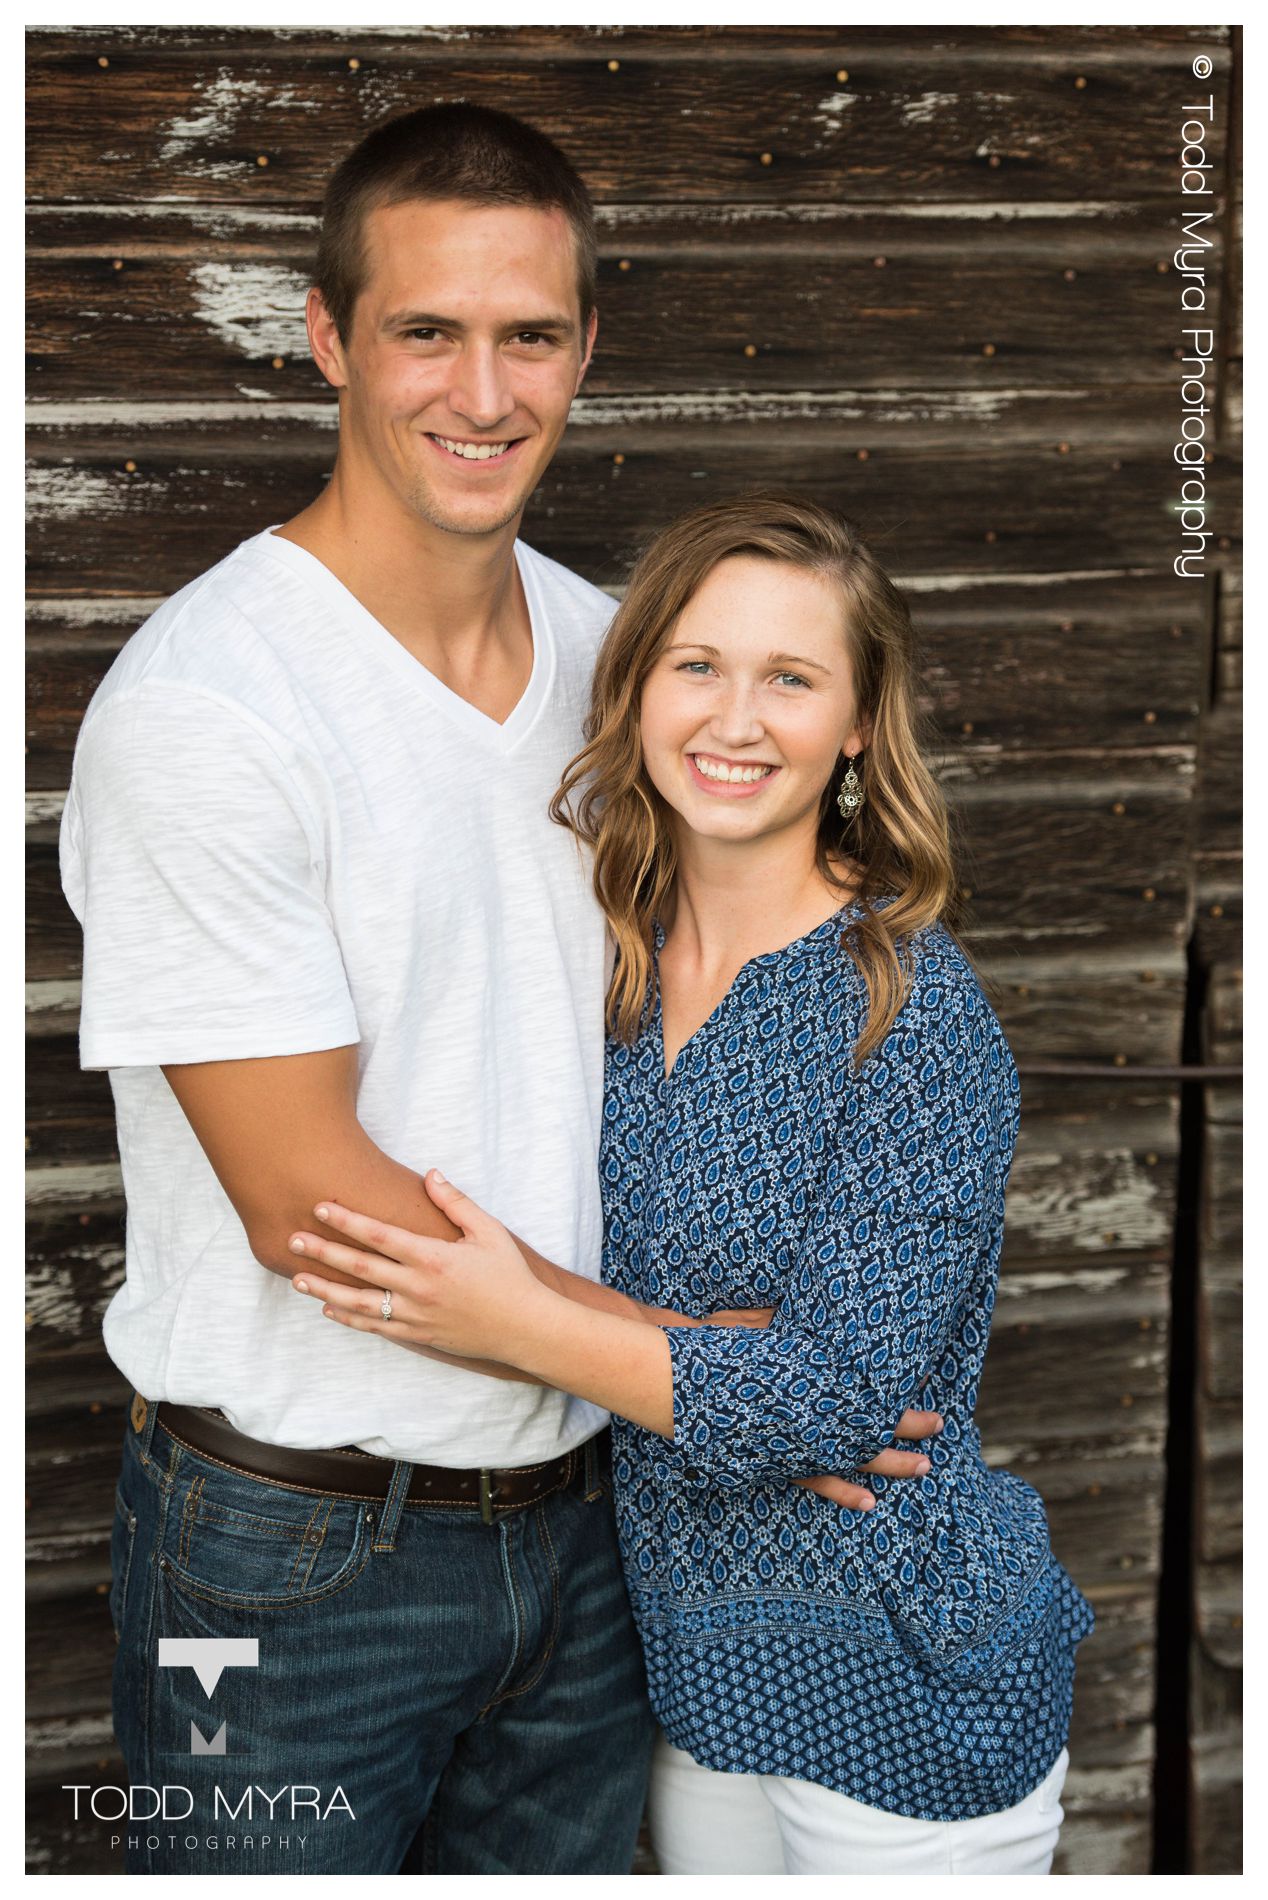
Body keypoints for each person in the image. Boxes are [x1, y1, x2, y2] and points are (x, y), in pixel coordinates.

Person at [59, 109, 935, 1877]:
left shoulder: (626, 670)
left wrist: (779, 1353)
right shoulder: (212, 710)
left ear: (585, 349)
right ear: (327, 338)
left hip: (595, 1532)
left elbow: (754, 1001)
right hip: (291, 1551)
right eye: (425, 331)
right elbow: (318, 1216)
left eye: (529, 334)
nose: (483, 388)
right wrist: (705, 1373)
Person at [288, 493, 1097, 1876]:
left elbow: (839, 1401)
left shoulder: (909, 1016)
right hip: (685, 1670)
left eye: (791, 678)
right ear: (641, 682)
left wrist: (523, 1327)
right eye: (698, 666)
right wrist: (702, 1353)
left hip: (901, 1660)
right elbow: (771, 1388)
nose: (736, 719)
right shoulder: (600, 960)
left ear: (855, 724)